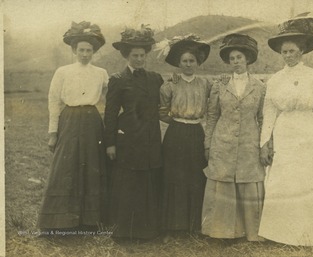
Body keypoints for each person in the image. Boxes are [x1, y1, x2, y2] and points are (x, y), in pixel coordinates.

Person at [258, 15, 313, 246]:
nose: (289, 56)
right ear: (280, 54)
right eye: (285, 52)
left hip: (308, 132)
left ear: (301, 51)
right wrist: (265, 142)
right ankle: (281, 234)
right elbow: (269, 113)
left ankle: (311, 236)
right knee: (284, 181)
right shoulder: (274, 80)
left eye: (293, 51)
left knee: (307, 181)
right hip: (284, 134)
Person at [38, 21, 109, 231]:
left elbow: (115, 93)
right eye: (81, 50)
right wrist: (53, 132)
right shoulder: (63, 71)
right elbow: (53, 101)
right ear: (73, 50)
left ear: (94, 51)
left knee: (92, 164)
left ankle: (89, 221)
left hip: (92, 121)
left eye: (89, 50)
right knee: (66, 166)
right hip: (69, 119)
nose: (85, 54)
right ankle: (59, 221)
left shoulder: (101, 73)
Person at [201, 34, 266, 241]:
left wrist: (264, 145)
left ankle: (251, 232)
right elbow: (212, 115)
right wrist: (208, 142)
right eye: (232, 58)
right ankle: (222, 231)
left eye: (239, 57)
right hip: (223, 141)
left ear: (247, 59)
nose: (236, 62)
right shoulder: (220, 85)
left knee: (248, 181)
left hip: (249, 143)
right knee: (223, 182)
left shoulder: (260, 86)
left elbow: (263, 118)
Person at [104, 25, 164, 240]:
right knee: (128, 182)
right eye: (134, 55)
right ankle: (124, 231)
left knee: (148, 181)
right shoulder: (117, 80)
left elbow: (166, 101)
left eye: (142, 55)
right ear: (127, 56)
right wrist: (110, 143)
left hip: (150, 136)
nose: (139, 59)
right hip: (127, 138)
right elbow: (110, 114)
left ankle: (148, 231)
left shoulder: (155, 78)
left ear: (146, 55)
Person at [159, 35, 211, 237]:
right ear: (179, 64)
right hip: (176, 133)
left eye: (192, 61)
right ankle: (174, 225)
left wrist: (224, 79)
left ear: (197, 63)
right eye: (185, 61)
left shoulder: (206, 84)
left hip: (197, 132)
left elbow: (215, 102)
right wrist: (177, 123)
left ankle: (194, 224)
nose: (188, 64)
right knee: (174, 177)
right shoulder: (170, 85)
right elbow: (162, 111)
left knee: (195, 176)